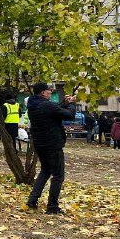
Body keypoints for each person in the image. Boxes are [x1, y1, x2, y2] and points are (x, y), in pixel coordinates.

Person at [26, 82, 76, 214]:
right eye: (49, 91)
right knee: (58, 175)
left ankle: (32, 201)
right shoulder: (46, 105)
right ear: (43, 92)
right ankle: (52, 206)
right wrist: (71, 104)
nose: (50, 93)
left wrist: (63, 103)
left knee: (45, 171)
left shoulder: (33, 104)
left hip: (40, 143)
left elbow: (54, 110)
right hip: (52, 144)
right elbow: (69, 115)